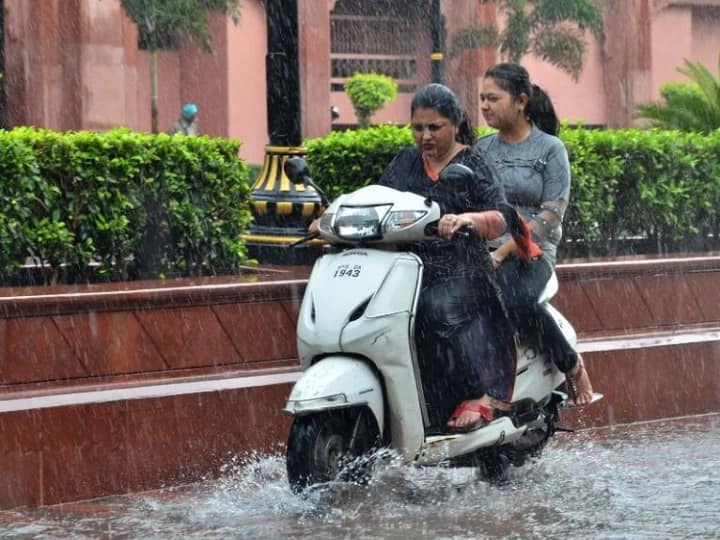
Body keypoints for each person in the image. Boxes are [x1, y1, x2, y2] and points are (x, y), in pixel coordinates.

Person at [372, 83, 542, 431]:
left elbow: (501, 216)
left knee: (432, 311)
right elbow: (378, 199)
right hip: (408, 269)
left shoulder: (473, 162)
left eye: (434, 127)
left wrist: (469, 219)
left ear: (455, 124)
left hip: (464, 271)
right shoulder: (405, 162)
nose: (425, 136)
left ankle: (480, 392)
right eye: (418, 127)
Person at [474, 62, 594, 407]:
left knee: (516, 299)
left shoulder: (550, 150)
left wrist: (502, 251)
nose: (484, 106)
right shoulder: (482, 150)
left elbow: (549, 218)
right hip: (484, 248)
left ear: (521, 101)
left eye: (493, 98)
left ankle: (569, 363)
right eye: (482, 98)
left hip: (532, 253)